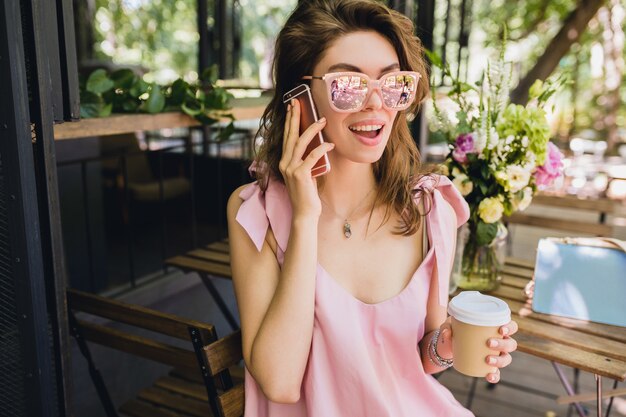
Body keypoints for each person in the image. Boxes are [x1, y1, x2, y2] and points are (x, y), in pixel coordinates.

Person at [227, 0, 518, 415]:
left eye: (393, 83)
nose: (376, 103)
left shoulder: (433, 209)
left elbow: (423, 357)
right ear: (299, 98)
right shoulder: (255, 213)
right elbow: (279, 382)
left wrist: (448, 345)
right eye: (348, 85)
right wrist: (305, 216)